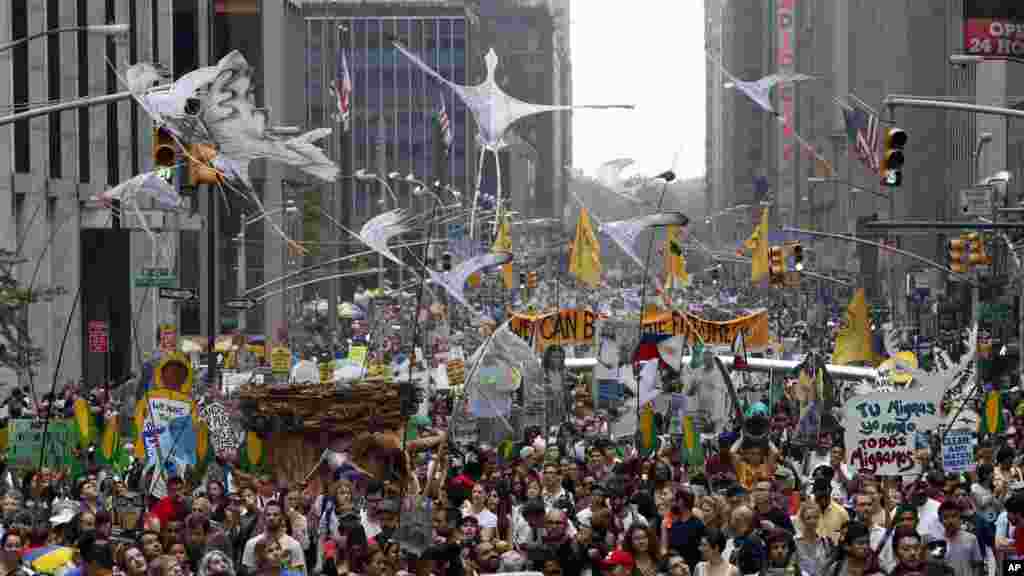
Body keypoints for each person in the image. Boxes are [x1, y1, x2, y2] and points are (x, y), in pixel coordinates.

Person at [241, 502, 306, 576]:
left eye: (275, 514)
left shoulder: (294, 545)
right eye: (268, 514)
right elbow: (246, 572)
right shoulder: (251, 544)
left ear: (282, 517)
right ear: (264, 517)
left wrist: (281, 566)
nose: (271, 517)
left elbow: (300, 573)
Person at [937, 500, 984, 576]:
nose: (950, 521)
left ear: (959, 518)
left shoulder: (971, 538)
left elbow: (978, 565)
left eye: (954, 516)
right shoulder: (937, 541)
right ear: (940, 520)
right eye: (946, 517)